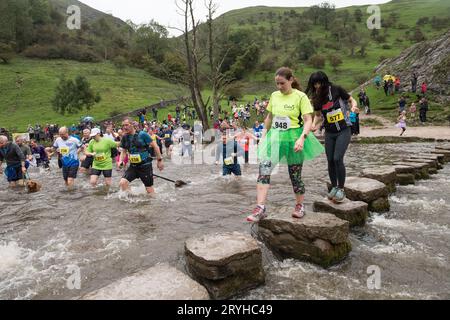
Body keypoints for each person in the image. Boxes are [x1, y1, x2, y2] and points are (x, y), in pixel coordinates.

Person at [246, 67, 324, 222]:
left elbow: (308, 120)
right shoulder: (274, 96)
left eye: (282, 83)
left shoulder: (300, 97)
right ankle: (260, 207)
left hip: (294, 139)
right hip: (274, 138)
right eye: (277, 84)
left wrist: (302, 137)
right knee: (264, 170)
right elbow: (269, 117)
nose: (279, 87)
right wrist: (263, 135)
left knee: (295, 176)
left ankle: (300, 206)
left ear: (291, 80)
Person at [308, 71, 357, 203]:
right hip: (329, 132)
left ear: (325, 81)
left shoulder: (336, 89)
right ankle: (334, 187)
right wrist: (313, 126)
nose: (317, 86)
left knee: (337, 158)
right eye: (314, 84)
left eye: (319, 83)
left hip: (343, 130)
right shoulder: (316, 98)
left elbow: (351, 99)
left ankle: (341, 189)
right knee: (330, 160)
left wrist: (354, 106)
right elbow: (318, 116)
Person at [118, 118, 164, 194]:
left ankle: (153, 203)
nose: (124, 127)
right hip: (133, 166)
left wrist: (159, 161)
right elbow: (123, 151)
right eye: (123, 125)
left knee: (149, 190)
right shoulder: (125, 137)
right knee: (123, 183)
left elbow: (156, 146)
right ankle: (132, 199)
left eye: (126, 125)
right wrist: (120, 161)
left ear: (132, 125)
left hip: (145, 166)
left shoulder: (142, 134)